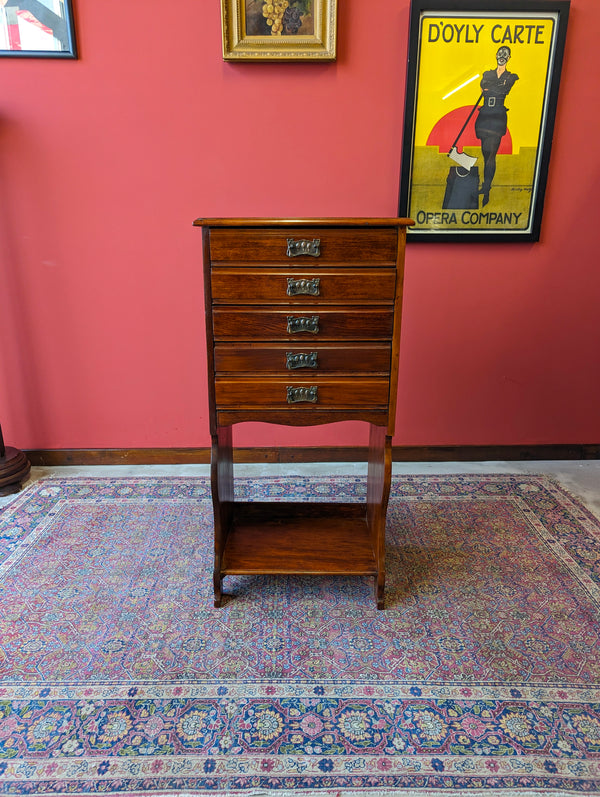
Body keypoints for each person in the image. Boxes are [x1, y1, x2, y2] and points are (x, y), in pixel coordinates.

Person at [474, 46, 519, 206]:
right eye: (500, 53)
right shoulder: (488, 74)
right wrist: (494, 89)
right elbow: (484, 87)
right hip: (485, 116)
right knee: (486, 155)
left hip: (497, 117)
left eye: (505, 54)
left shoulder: (512, 76)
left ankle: (486, 188)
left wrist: (492, 89)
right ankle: (486, 186)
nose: (502, 56)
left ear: (509, 57)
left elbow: (504, 89)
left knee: (491, 155)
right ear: (495, 55)